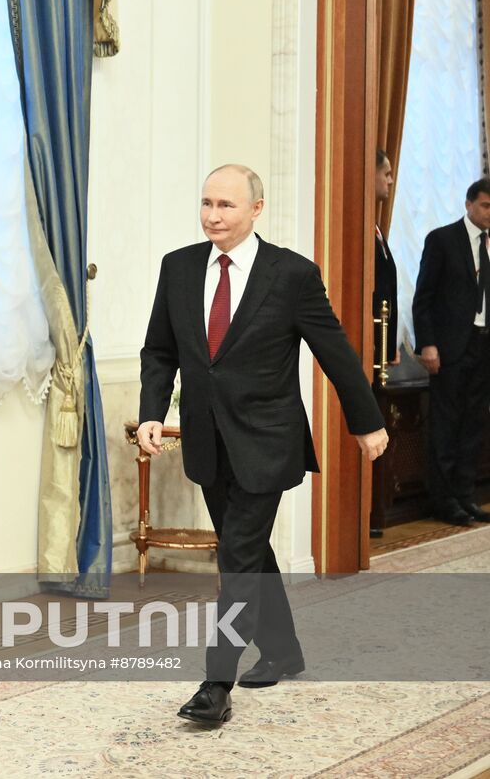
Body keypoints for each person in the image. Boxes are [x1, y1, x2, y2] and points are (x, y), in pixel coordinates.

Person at [137, 164, 387, 727]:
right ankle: (283, 648)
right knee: (248, 548)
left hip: (269, 440)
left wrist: (365, 421)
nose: (212, 215)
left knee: (239, 556)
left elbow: (335, 351)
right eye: (206, 203)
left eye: (225, 205)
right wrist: (152, 411)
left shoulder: (292, 274)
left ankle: (215, 683)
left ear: (257, 209)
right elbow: (160, 350)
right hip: (208, 441)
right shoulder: (177, 268)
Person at [411, 176, 490, 527]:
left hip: (484, 345)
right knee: (446, 424)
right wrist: (427, 343)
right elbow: (423, 297)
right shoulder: (442, 239)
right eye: (486, 206)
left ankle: (464, 495)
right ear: (469, 204)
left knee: (474, 424)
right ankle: (443, 501)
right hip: (450, 347)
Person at [370, 150, 398, 539]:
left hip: (382, 349)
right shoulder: (362, 230)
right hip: (367, 352)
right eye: (386, 173)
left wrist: (391, 343)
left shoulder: (378, 230)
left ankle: (374, 515)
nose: (390, 181)